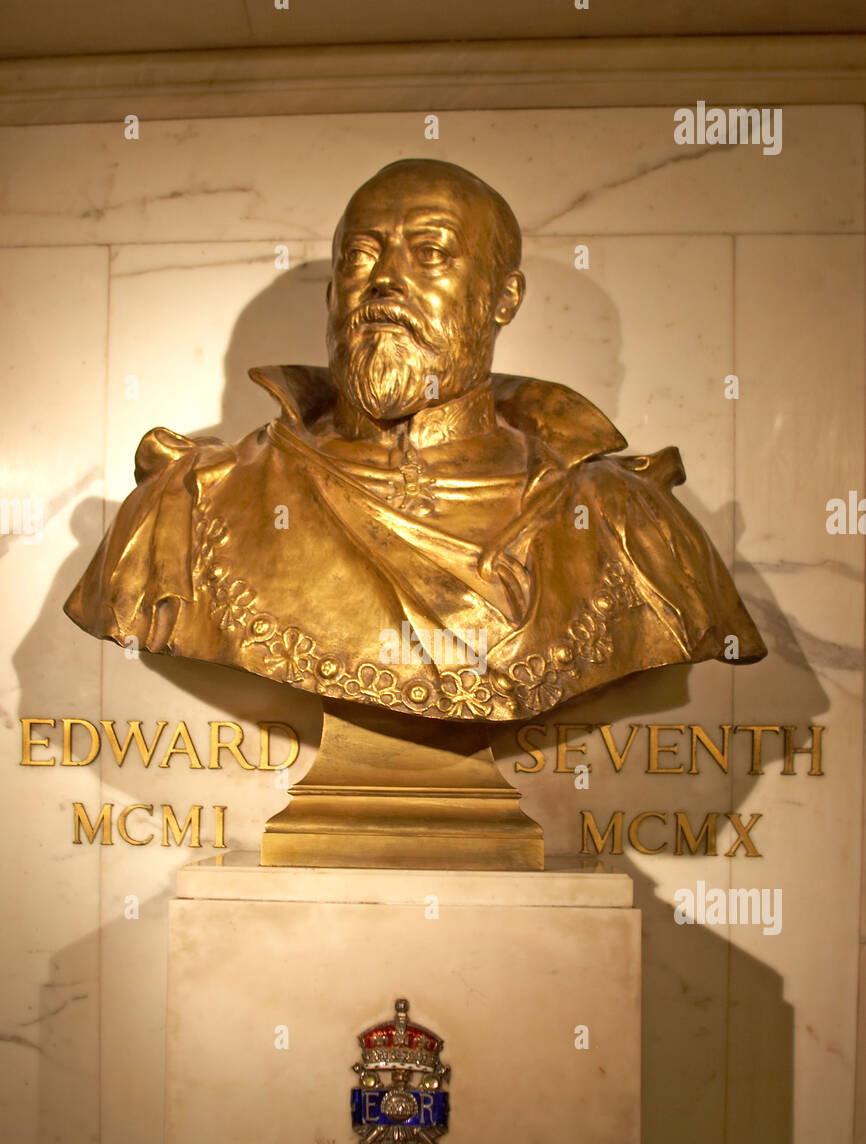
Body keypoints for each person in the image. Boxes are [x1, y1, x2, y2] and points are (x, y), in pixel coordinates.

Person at [65, 158, 765, 722]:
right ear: (333, 291)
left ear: (503, 297)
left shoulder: (626, 522)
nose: (386, 282)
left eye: (430, 252)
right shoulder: (191, 506)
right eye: (360, 258)